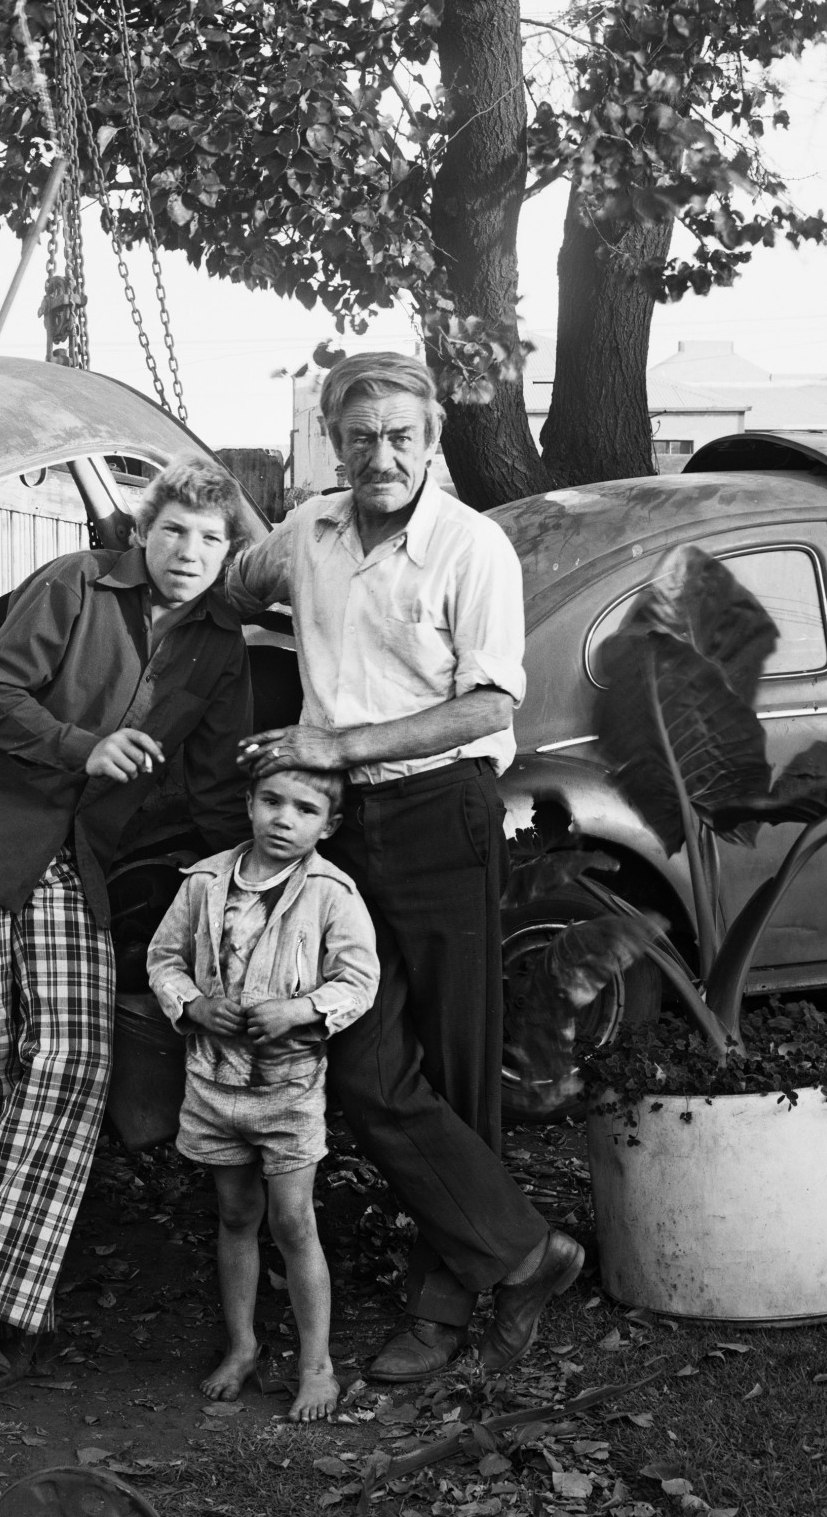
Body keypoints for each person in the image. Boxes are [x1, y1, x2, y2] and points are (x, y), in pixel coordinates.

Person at [229, 352, 582, 1383]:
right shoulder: (309, 532)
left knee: (455, 1061)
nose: (379, 455)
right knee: (366, 1058)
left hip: (439, 811)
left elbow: (489, 705)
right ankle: (524, 1255)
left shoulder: (472, 549)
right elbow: (229, 579)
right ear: (333, 445)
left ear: (431, 443)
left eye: (400, 437)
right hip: (336, 830)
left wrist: (334, 746)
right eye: (359, 438)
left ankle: (441, 1307)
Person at [0, 456, 255, 1382]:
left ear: (228, 553)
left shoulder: (221, 646)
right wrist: (83, 747)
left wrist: (238, 900)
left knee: (75, 1052)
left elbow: (217, 791)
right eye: (175, 529)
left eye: (211, 539)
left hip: (74, 855)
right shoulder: (75, 583)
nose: (189, 551)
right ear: (145, 530)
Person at [145, 759, 378, 1422]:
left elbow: (358, 980)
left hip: (287, 1090)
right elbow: (162, 957)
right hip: (214, 1086)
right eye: (271, 801)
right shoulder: (204, 883)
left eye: (305, 810)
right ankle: (243, 1345)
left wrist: (300, 1010)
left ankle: (315, 1364)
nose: (283, 819)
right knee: (235, 1216)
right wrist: (191, 1003)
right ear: (248, 803)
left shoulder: (332, 892)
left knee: (292, 1220)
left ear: (327, 825)